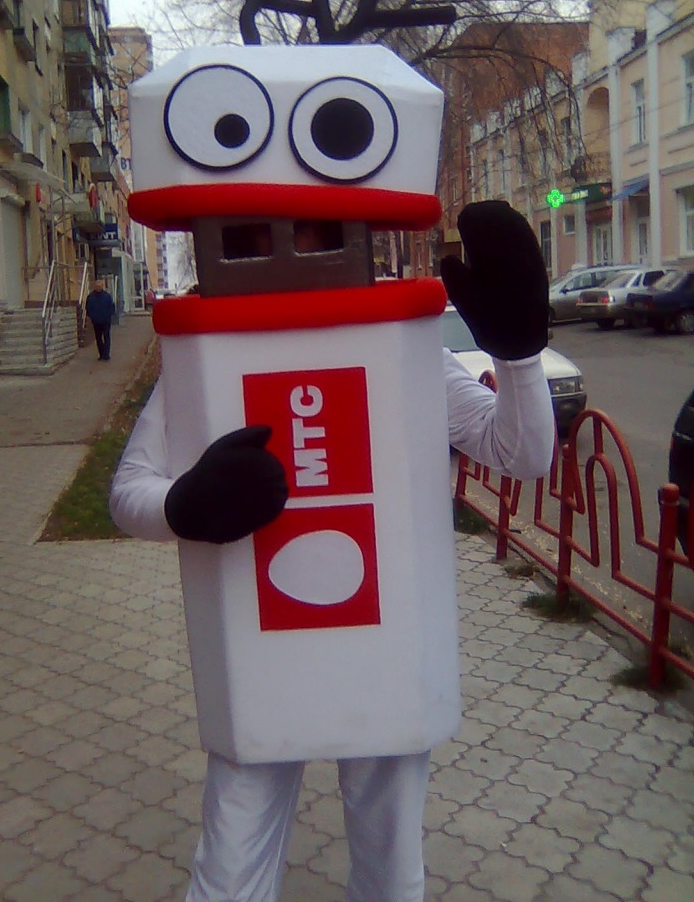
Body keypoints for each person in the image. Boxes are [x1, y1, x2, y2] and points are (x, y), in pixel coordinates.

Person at [109, 202, 555, 902]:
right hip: (257, 652)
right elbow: (128, 489)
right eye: (263, 235)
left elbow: (522, 454)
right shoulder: (210, 350)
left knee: (390, 872)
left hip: (385, 649)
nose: (292, 254)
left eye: (313, 233)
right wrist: (185, 504)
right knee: (229, 870)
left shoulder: (401, 346)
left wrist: (519, 354)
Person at [85, 278, 115, 361]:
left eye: (100, 286)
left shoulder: (107, 296)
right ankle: (101, 354)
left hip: (106, 321)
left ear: (102, 286)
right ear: (94, 287)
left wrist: (108, 315)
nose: (98, 287)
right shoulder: (91, 297)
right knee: (98, 338)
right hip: (96, 321)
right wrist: (92, 316)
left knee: (106, 337)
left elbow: (112, 307)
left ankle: (106, 354)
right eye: (97, 286)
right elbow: (88, 308)